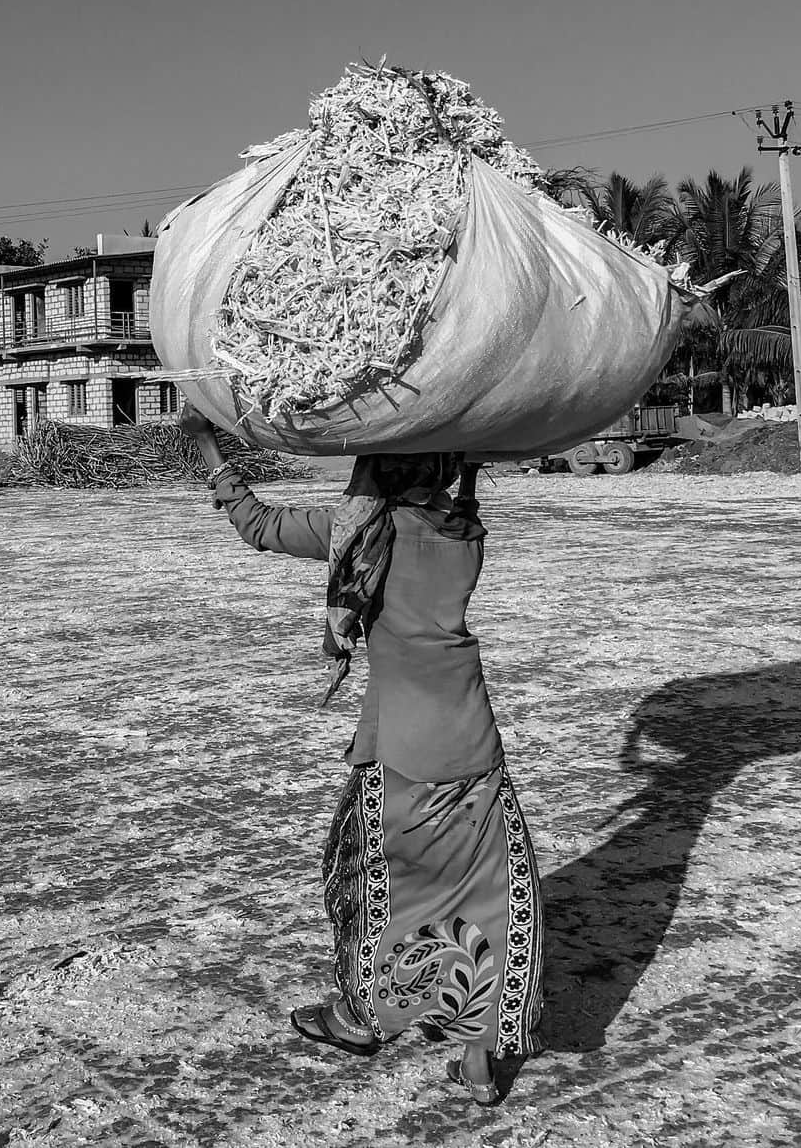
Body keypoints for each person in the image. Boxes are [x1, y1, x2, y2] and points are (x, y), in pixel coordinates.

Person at [180, 404, 544, 1105]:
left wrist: (207, 446)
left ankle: (359, 1017)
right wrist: (462, 438)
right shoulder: (463, 533)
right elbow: (462, 489)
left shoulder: (357, 534)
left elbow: (256, 524)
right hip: (473, 737)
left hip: (405, 747)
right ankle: (476, 1059)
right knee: (482, 892)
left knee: (368, 882)